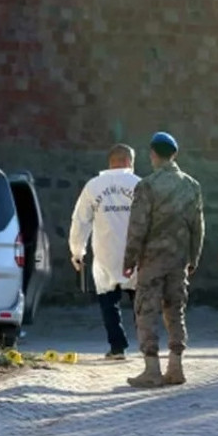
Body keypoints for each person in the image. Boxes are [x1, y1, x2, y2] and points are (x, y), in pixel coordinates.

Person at [121, 132, 204, 389]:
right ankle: (176, 367)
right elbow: (198, 227)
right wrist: (194, 256)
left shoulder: (147, 186)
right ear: (174, 154)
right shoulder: (191, 185)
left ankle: (152, 369)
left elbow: (138, 227)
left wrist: (130, 259)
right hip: (178, 259)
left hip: (152, 260)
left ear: (153, 155)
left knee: (146, 311)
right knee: (175, 311)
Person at [68, 144, 141, 360]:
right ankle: (148, 345)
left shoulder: (93, 186)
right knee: (141, 302)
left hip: (104, 254)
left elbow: (80, 221)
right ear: (129, 161)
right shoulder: (139, 184)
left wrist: (77, 252)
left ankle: (117, 347)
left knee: (109, 303)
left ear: (110, 162)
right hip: (135, 254)